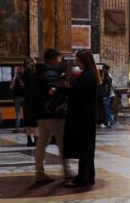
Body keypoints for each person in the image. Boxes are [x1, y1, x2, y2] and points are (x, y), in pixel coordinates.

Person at [31, 49, 72, 184]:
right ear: (54, 58)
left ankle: (39, 172)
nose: (60, 61)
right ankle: (67, 171)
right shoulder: (51, 73)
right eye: (60, 58)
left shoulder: (37, 73)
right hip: (54, 114)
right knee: (62, 142)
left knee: (41, 143)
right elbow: (55, 91)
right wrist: (64, 87)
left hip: (41, 114)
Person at [63, 49, 101, 188]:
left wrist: (69, 82)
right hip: (85, 115)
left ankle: (84, 177)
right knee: (86, 147)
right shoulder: (88, 75)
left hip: (84, 116)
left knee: (84, 147)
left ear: (84, 60)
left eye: (78, 60)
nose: (77, 62)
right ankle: (87, 175)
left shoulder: (88, 76)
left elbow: (78, 93)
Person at [21, 57, 38, 147]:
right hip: (34, 100)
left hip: (26, 100)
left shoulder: (24, 74)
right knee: (35, 122)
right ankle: (36, 140)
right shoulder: (35, 74)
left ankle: (29, 140)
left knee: (27, 121)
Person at [10, 66, 25, 133]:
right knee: (25, 113)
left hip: (17, 97)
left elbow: (11, 87)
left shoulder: (15, 77)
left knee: (18, 113)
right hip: (24, 97)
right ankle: (26, 128)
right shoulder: (25, 78)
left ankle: (17, 129)